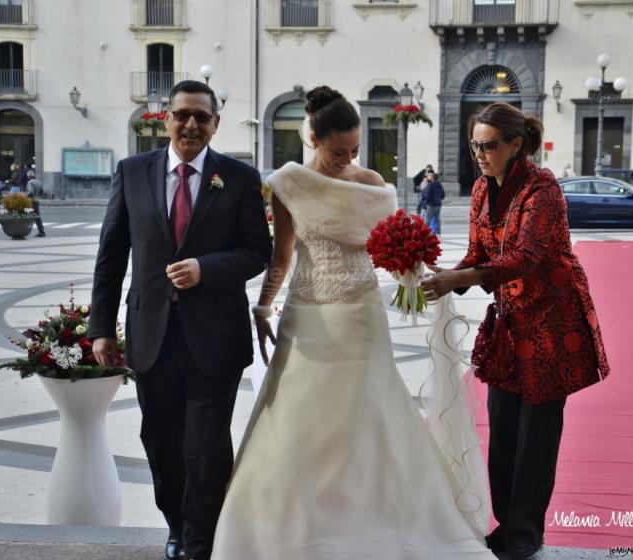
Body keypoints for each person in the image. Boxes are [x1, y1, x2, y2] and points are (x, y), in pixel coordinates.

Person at [210, 86, 496, 560]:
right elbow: (282, 256)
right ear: (313, 138)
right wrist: (262, 307)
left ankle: (382, 516)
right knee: (299, 420)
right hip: (309, 314)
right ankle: (290, 525)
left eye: (354, 150)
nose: (347, 159)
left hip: (362, 315)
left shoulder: (372, 183)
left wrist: (414, 267)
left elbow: (390, 245)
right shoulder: (288, 183)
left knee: (372, 414)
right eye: (337, 150)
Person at [88, 80, 272, 560]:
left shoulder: (239, 176)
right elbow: (111, 257)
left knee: (206, 445)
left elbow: (258, 252)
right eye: (183, 114)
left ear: (216, 122)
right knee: (162, 441)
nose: (192, 124)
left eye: (202, 117)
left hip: (216, 337)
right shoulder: (131, 173)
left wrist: (205, 269)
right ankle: (177, 522)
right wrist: (102, 328)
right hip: (153, 335)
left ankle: (198, 541)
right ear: (164, 118)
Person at [421, 102, 610, 560]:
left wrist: (459, 279)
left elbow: (524, 257)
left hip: (552, 322)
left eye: (489, 145)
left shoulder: (542, 188)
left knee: (537, 433)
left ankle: (526, 533)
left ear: (515, 145)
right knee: (504, 427)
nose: (480, 154)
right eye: (474, 145)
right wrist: (440, 274)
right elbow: (477, 251)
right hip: (510, 322)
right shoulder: (484, 190)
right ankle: (506, 525)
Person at [423, 169, 445, 234]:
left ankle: (425, 233)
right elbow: (443, 195)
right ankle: (438, 233)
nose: (428, 177)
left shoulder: (430, 185)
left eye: (430, 176)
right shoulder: (439, 184)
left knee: (427, 220)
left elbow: (428, 196)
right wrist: (439, 199)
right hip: (438, 205)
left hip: (431, 205)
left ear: (432, 177)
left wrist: (426, 203)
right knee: (437, 219)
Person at [25, 170, 46, 237]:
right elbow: (42, 192)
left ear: (28, 176)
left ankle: (23, 231)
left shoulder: (30, 182)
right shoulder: (38, 182)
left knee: (26, 214)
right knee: (37, 217)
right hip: (36, 201)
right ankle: (41, 231)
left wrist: (25, 196)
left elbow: (31, 192)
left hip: (31, 202)